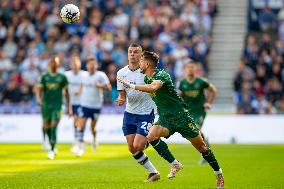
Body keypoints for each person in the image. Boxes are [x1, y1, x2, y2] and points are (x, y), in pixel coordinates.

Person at [118, 51, 224, 189]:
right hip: (165, 118)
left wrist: (131, 85)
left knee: (202, 147)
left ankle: (219, 175)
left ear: (148, 63)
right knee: (151, 136)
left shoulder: (162, 75)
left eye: (142, 61)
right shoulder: (146, 79)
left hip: (181, 118)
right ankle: (174, 163)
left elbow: (153, 88)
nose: (139, 64)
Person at [116, 44, 182, 182]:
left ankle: (150, 138)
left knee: (138, 145)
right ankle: (153, 173)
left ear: (141, 56)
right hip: (129, 113)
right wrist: (121, 98)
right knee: (132, 148)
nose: (132, 54)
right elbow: (122, 94)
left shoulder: (147, 72)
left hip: (146, 113)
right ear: (127, 54)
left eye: (136, 52)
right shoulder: (121, 73)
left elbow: (154, 88)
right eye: (130, 52)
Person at [178, 60, 217, 164]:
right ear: (185, 69)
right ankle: (206, 146)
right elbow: (180, 96)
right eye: (188, 67)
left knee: (196, 129)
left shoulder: (201, 81)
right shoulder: (182, 83)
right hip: (188, 112)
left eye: (192, 67)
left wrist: (209, 103)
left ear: (195, 68)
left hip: (200, 110)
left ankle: (205, 152)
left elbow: (213, 90)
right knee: (193, 134)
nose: (190, 69)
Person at [36, 56, 72, 160]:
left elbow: (67, 93)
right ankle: (49, 141)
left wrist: (69, 107)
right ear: (49, 64)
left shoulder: (62, 76)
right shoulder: (45, 76)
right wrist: (38, 98)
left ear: (58, 64)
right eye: (52, 62)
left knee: (53, 126)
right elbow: (39, 89)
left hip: (58, 105)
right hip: (46, 105)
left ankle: (52, 149)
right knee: (46, 127)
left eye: (55, 63)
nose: (53, 64)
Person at [76, 57, 111, 156]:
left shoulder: (101, 75)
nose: (91, 67)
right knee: (81, 125)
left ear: (96, 66)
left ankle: (94, 139)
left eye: (93, 65)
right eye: (89, 65)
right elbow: (82, 85)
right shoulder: (83, 75)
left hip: (96, 106)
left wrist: (101, 86)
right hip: (84, 104)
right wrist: (79, 91)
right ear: (87, 66)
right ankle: (81, 146)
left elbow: (109, 88)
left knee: (93, 127)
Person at [65, 56, 87, 153]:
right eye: (73, 64)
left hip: (82, 102)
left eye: (76, 64)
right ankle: (79, 140)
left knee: (78, 121)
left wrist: (80, 91)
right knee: (75, 122)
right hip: (71, 102)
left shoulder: (84, 74)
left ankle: (78, 141)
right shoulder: (67, 75)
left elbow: (85, 85)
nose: (74, 66)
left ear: (79, 64)